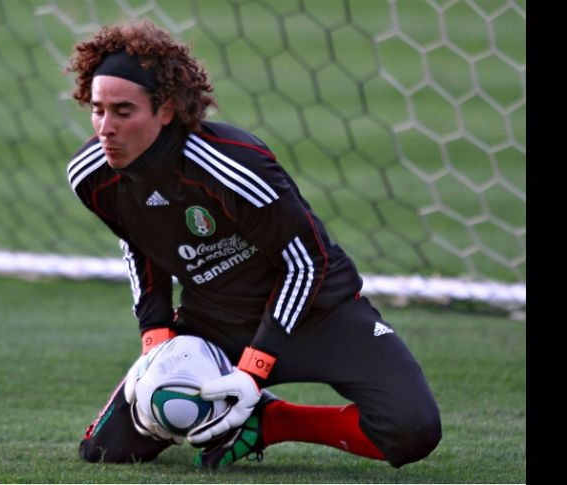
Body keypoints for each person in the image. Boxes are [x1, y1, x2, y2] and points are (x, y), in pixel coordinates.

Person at [66, 19, 441, 469]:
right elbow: (139, 245)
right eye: (97, 109)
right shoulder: (92, 175)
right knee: (105, 451)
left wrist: (254, 369)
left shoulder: (234, 167)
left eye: (123, 112)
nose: (105, 128)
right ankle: (243, 408)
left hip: (318, 312)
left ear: (165, 109)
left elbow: (306, 262)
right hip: (216, 324)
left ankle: (272, 421)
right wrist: (157, 337)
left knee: (412, 429)